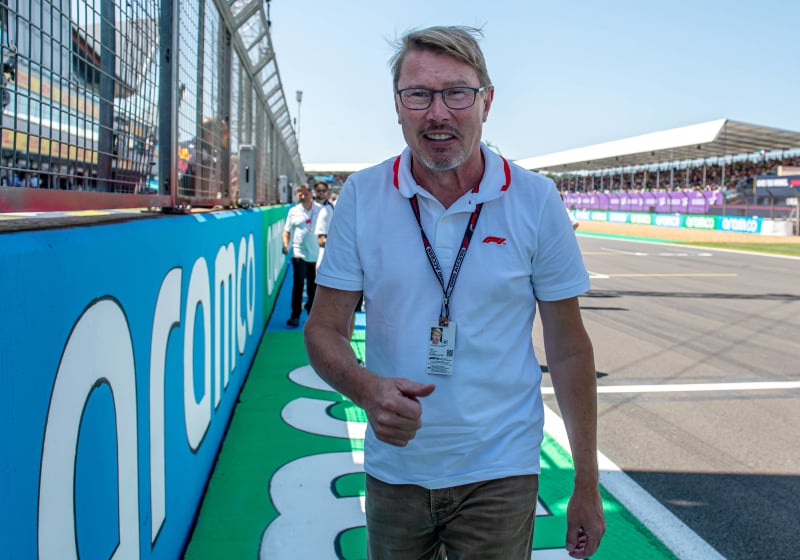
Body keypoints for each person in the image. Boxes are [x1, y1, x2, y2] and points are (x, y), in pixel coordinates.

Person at [304, 25, 604, 559]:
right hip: (396, 468)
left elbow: (568, 346)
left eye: (457, 93)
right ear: (397, 107)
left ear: (486, 102)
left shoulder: (535, 199)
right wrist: (366, 390)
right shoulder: (362, 195)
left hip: (499, 467)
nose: (438, 113)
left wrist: (585, 480)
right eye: (418, 94)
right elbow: (324, 328)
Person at [282, 183, 320, 327]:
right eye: (300, 194)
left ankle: (311, 311)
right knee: (298, 283)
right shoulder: (293, 211)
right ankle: (295, 315)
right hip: (299, 252)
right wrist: (286, 244)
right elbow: (287, 231)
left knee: (313, 285)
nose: (303, 196)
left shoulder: (321, 210)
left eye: (305, 193)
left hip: (315, 253)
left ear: (311, 193)